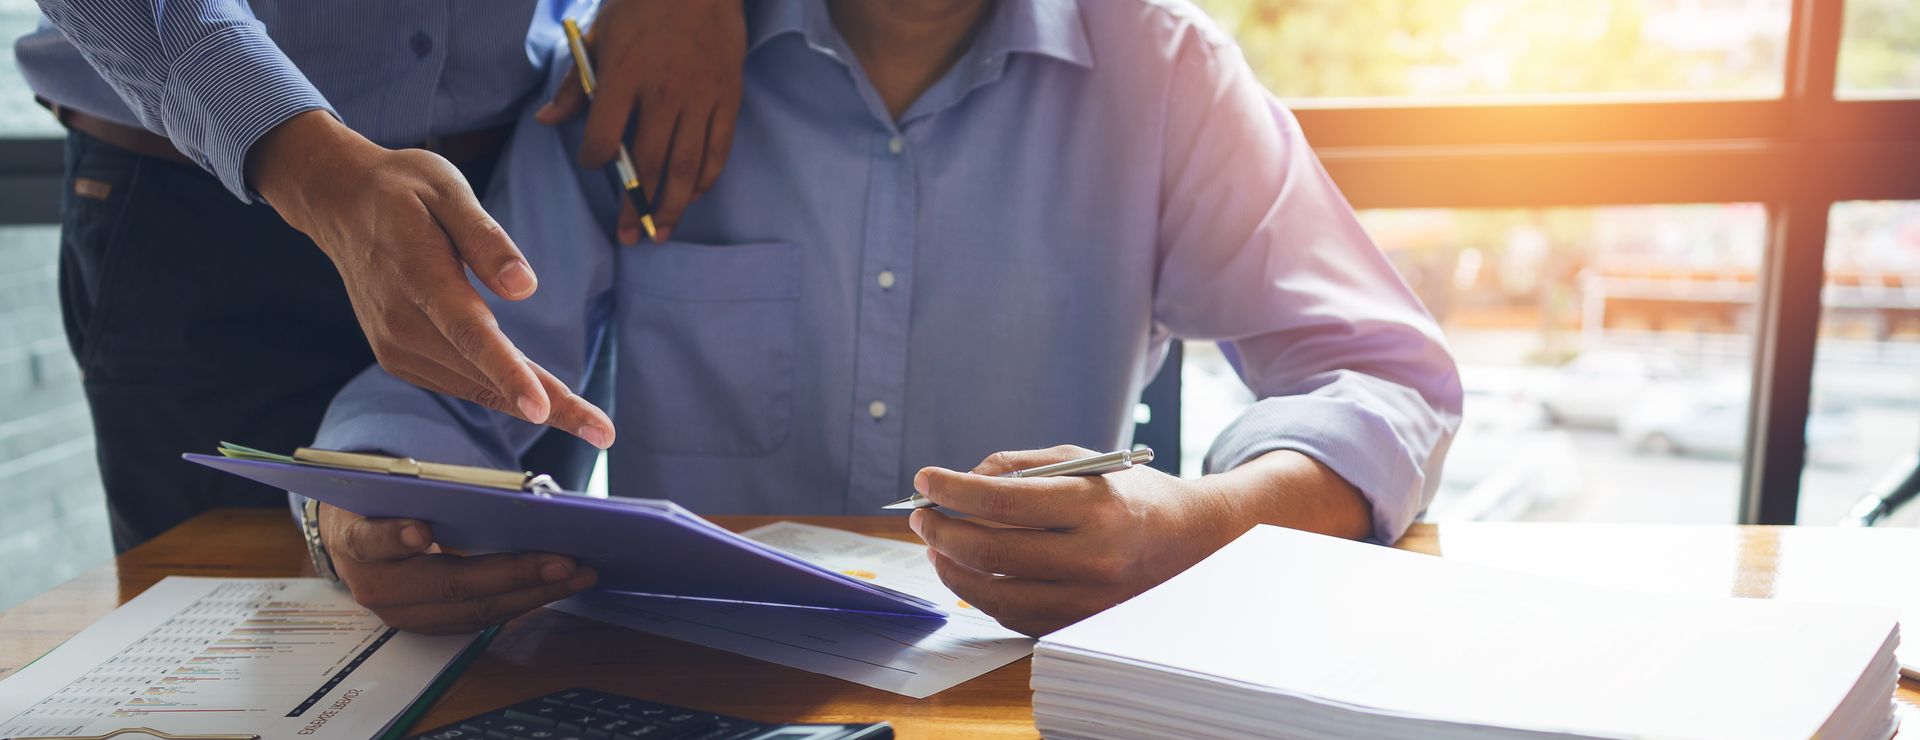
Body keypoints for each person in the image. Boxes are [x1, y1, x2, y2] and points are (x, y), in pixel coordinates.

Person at [307, 0, 1463, 638]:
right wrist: (366, 508)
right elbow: (446, 392)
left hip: (1032, 718)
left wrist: (1194, 524)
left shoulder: (1166, 72)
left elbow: (1386, 381)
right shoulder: (639, 68)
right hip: (688, 712)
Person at [14, 0, 745, 550]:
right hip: (203, 194)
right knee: (234, 672)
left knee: (515, 661)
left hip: (516, 192)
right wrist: (304, 162)